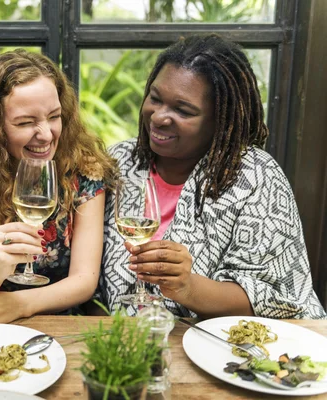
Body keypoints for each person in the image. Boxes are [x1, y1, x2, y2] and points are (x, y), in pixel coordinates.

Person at [99, 34, 327, 319]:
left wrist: (187, 287)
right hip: (123, 343)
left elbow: (279, 298)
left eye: (183, 110)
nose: (159, 117)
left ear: (220, 119)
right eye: (155, 98)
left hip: (232, 349)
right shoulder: (118, 162)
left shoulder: (255, 177)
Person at [0, 49, 116, 324]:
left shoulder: (84, 171)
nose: (47, 135)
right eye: (26, 122)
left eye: (54, 116)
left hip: (57, 323)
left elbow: (84, 281)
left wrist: (16, 304)